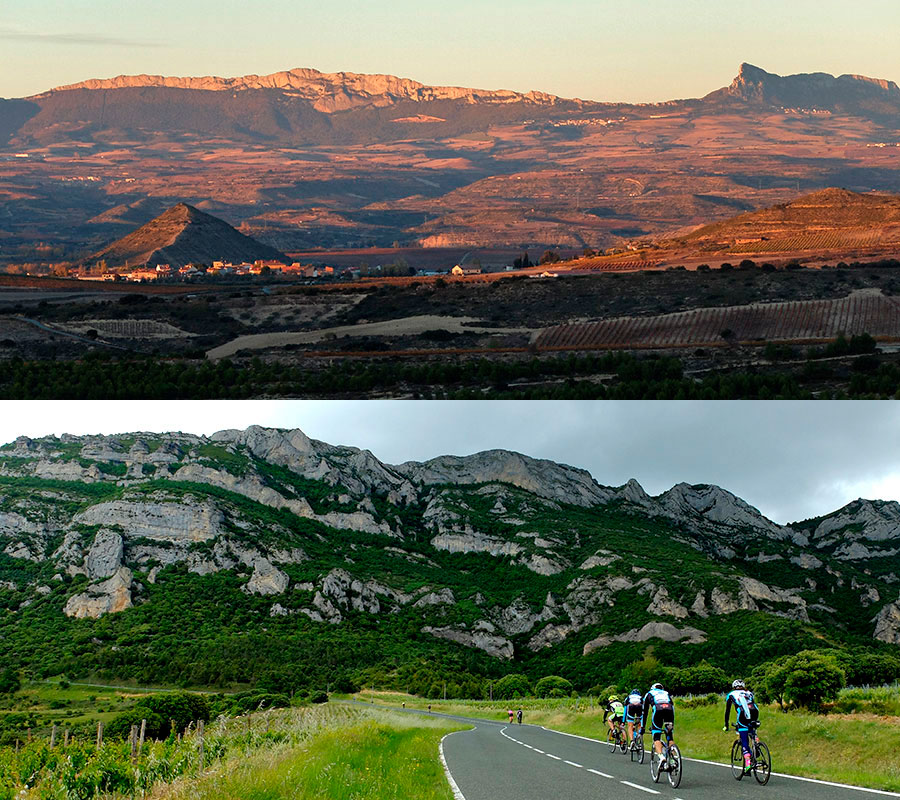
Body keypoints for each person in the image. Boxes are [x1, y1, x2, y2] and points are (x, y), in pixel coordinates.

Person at [723, 679, 760, 774]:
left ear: (733, 687)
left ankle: (747, 765)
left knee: (744, 740)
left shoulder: (731, 694)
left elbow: (727, 711)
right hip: (755, 713)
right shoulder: (749, 692)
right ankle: (756, 744)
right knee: (751, 729)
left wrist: (726, 725)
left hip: (743, 715)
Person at [641, 682, 675, 771]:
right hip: (669, 710)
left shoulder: (649, 693)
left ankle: (661, 757)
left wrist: (642, 727)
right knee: (670, 736)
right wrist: (672, 726)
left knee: (656, 736)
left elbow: (644, 712)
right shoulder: (666, 693)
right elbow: (672, 706)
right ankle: (672, 759)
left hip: (658, 709)